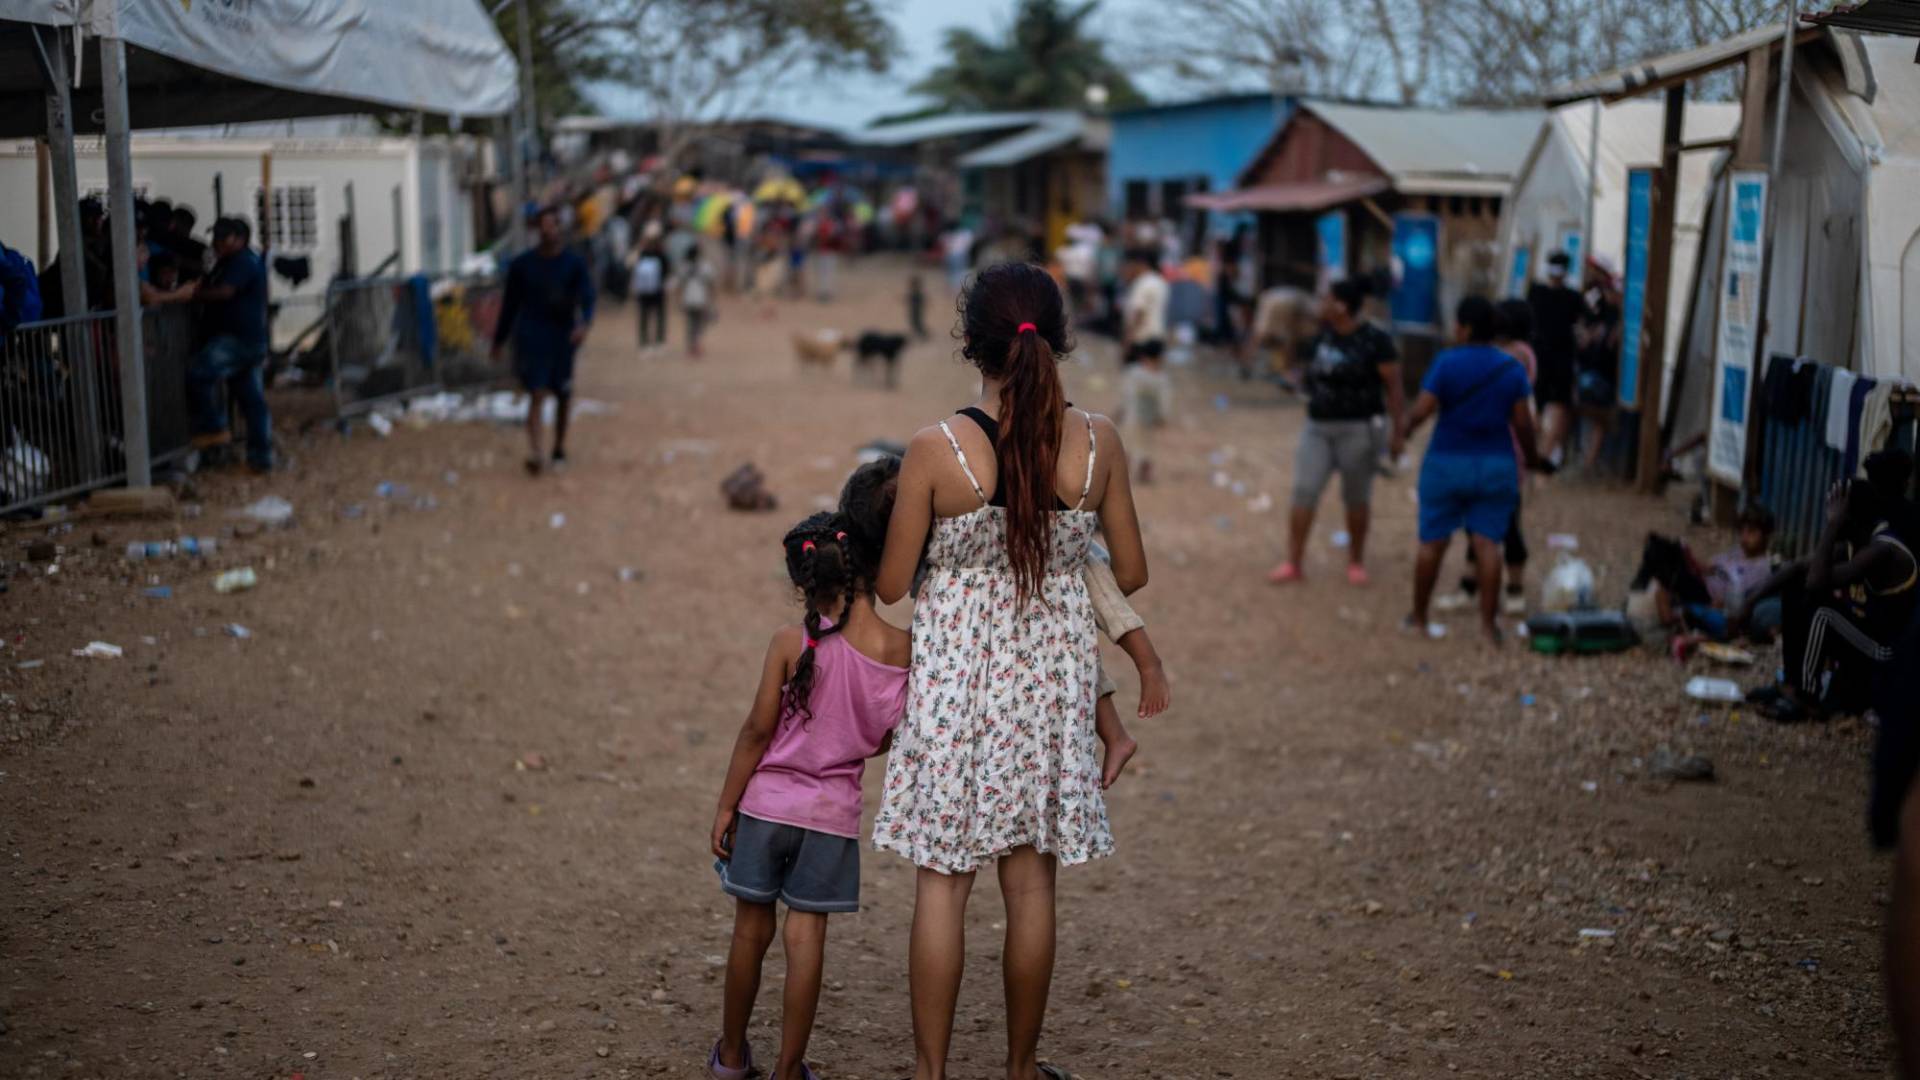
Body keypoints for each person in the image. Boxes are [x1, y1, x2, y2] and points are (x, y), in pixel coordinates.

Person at [872, 261, 1150, 1080]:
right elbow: (1128, 573)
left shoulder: (936, 449)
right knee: (1031, 888)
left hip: (958, 685)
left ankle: (931, 1074)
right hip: (1051, 684)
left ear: (973, 344)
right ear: (1059, 339)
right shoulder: (1098, 443)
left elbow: (891, 587)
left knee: (942, 885)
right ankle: (1023, 1070)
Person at [707, 469, 910, 1080]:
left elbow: (755, 732)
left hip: (765, 806)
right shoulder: (902, 650)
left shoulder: (787, 645)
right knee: (806, 940)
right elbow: (885, 738)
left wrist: (725, 807)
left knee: (750, 932)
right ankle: (789, 1069)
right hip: (831, 819)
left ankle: (734, 1056)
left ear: (805, 583)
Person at [1401, 296, 1544, 644]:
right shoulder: (1510, 368)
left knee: (1432, 543)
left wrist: (1401, 431)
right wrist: (1533, 457)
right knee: (1487, 544)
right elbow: (1524, 424)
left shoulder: (1446, 363)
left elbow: (1422, 411)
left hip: (1446, 462)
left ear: (1462, 328)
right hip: (1496, 465)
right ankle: (1487, 629)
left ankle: (1419, 620)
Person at [1742, 475, 1917, 723]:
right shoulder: (1857, 541)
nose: (1829, 513)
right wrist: (1749, 603)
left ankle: (1807, 697)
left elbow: (1816, 582)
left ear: (1851, 517)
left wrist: (1832, 526)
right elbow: (1798, 570)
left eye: (1835, 510)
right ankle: (1792, 684)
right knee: (1795, 590)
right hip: (1865, 635)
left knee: (1824, 613)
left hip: (1887, 652)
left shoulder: (1882, 549)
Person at [1270, 277, 1404, 586]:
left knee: (1356, 497)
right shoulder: (1321, 337)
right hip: (1317, 426)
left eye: (1326, 299)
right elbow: (1305, 374)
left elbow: (1394, 389)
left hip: (1359, 428)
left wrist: (1398, 433)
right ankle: (1294, 561)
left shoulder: (1375, 341)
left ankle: (1356, 561)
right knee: (1304, 491)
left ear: (1342, 306)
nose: (1321, 305)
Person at [492, 206, 595, 476]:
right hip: (532, 335)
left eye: (553, 225)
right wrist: (499, 340)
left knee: (562, 394)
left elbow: (587, 298)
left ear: (561, 228)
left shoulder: (574, 264)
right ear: (537, 229)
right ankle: (536, 452)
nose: (549, 230)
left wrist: (583, 324)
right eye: (544, 225)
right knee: (536, 392)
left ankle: (558, 447)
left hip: (562, 336)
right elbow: (509, 306)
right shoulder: (522, 266)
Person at [1457, 298, 1538, 613]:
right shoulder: (1517, 353)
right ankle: (1471, 584)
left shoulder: (1514, 354)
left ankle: (1514, 589)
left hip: (1503, 448)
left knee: (1505, 521)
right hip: (1495, 447)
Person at [186, 217, 273, 472]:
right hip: (244, 340)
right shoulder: (231, 260)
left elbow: (225, 292)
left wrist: (194, 295)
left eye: (224, 238)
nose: (217, 243)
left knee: (198, 372)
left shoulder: (243, 261)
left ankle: (214, 428)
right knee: (251, 401)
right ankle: (260, 457)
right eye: (216, 238)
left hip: (237, 340)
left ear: (240, 239)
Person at [1118, 249, 1170, 483]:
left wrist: (1127, 341)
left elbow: (1138, 313)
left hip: (1141, 343)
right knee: (1147, 404)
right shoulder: (1161, 283)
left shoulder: (1142, 284)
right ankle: (1144, 462)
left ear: (1138, 263)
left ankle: (1126, 460)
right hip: (1156, 343)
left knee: (1134, 404)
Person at [1527, 251, 1581, 467]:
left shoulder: (1566, 296)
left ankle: (1546, 451)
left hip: (1555, 358)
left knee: (1553, 403)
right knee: (1545, 403)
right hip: (1550, 357)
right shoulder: (1543, 293)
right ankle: (1541, 450)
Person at [1572, 260, 1622, 472]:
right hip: (1592, 371)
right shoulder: (1598, 308)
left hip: (1602, 376)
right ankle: (1588, 460)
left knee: (1597, 415)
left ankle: (1591, 461)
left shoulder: (1618, 318)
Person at [677, 245, 717, 358]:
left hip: (688, 299)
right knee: (700, 324)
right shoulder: (705, 266)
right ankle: (697, 345)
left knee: (690, 324)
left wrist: (678, 300)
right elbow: (711, 284)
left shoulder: (684, 267)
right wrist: (713, 298)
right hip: (701, 299)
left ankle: (691, 346)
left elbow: (680, 285)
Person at [630, 239, 668, 351]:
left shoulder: (643, 255)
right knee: (656, 316)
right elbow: (667, 270)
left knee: (647, 316)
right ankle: (656, 341)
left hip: (647, 292)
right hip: (655, 292)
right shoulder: (660, 256)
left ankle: (646, 341)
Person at [906, 274, 928, 341]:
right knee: (914, 323)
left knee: (917, 323)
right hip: (914, 310)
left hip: (916, 311)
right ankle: (919, 335)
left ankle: (924, 335)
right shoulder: (914, 293)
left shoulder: (917, 293)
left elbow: (921, 301)